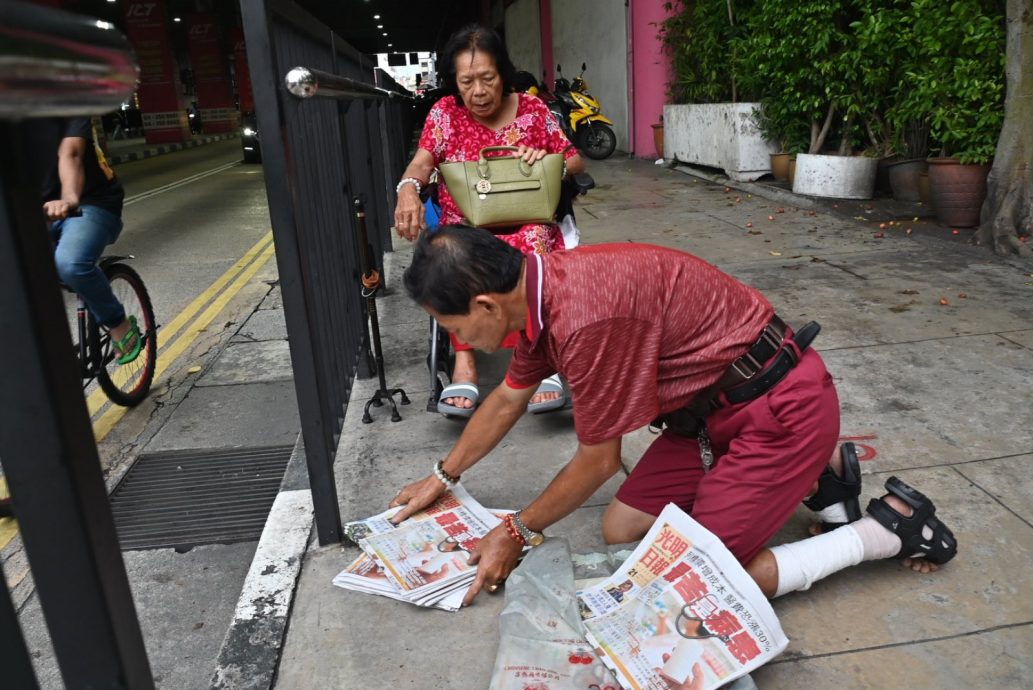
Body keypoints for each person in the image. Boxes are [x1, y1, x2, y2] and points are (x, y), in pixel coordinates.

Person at [389, 225, 958, 607]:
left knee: (689, 579)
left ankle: (884, 531)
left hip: (780, 407)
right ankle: (820, 473)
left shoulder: (585, 319)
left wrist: (515, 530)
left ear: (486, 304)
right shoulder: (538, 292)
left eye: (455, 327)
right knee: (622, 529)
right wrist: (443, 478)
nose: (460, 339)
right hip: (713, 416)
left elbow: (597, 461)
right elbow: (510, 397)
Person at [392, 24, 585, 417]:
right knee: (452, 252)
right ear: (454, 82)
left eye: (487, 78)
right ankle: (465, 362)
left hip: (527, 217)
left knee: (534, 243)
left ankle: (537, 359)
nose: (478, 91)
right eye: (467, 81)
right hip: (466, 223)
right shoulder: (445, 113)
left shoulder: (532, 109)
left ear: (503, 74)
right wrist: (408, 188)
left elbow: (573, 159)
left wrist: (547, 162)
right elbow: (422, 162)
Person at [36, 117, 141, 364]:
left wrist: (69, 198)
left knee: (70, 263)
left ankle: (119, 324)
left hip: (89, 204)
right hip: (38, 210)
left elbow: (70, 153)